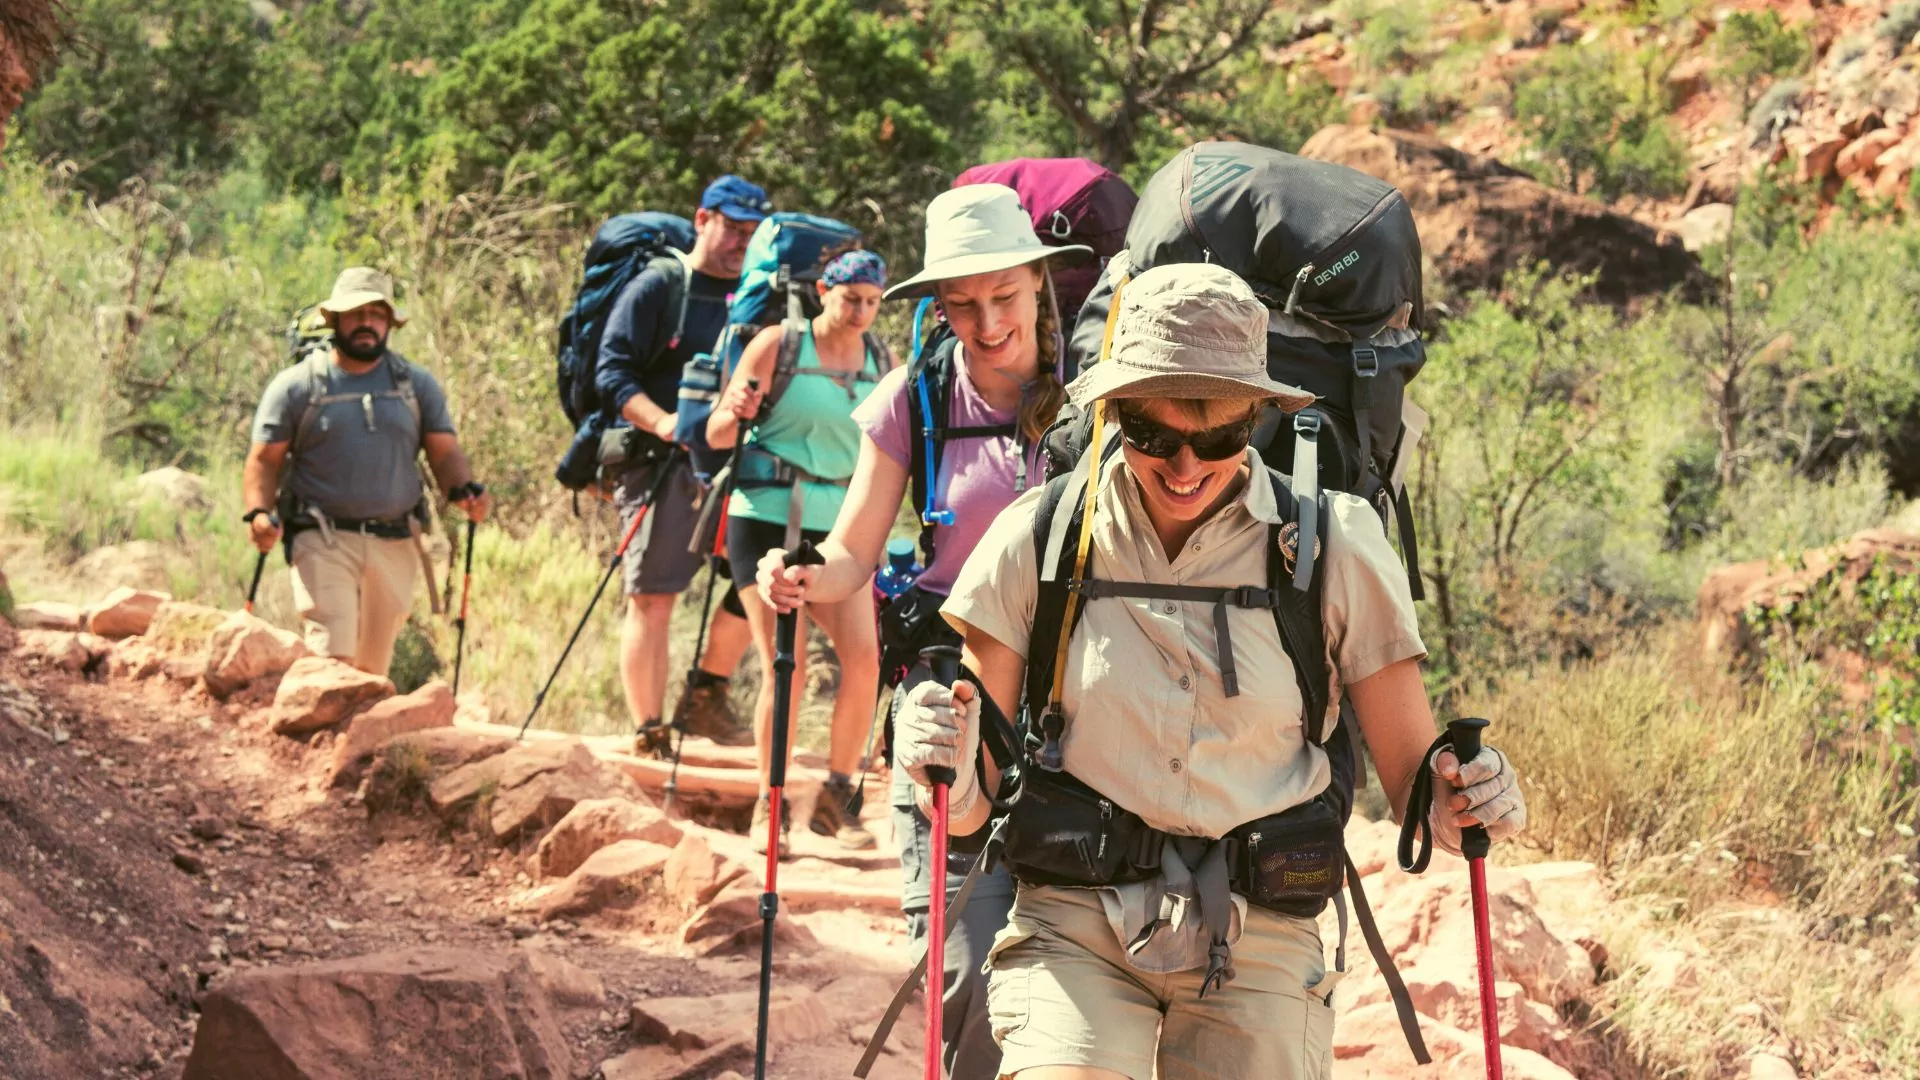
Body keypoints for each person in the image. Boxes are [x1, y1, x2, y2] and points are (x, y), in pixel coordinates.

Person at [888, 263, 1530, 1080]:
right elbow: (970, 799)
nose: (1187, 467)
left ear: (1257, 419)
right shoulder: (1038, 538)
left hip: (1263, 929)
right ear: (1115, 413)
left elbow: (1416, 788)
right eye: (1155, 438)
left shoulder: (1335, 545)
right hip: (1076, 920)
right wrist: (932, 755)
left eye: (1221, 437)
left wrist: (1467, 795)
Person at [756, 184, 1090, 1080]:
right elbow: (854, 550)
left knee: (1085, 983)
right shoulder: (917, 396)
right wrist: (800, 574)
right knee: (963, 972)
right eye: (963, 304)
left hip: (1079, 704)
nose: (986, 324)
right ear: (939, 306)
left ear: (1039, 285)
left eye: (1005, 298)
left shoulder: (1093, 401)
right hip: (952, 700)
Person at [707, 249, 891, 853]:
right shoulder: (778, 346)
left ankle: (839, 799)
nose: (862, 311)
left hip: (840, 537)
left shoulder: (883, 361)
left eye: (872, 300)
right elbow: (715, 436)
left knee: (864, 661)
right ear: (823, 290)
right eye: (851, 298)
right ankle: (772, 804)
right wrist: (734, 412)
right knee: (787, 664)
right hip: (764, 519)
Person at [596, 175, 773, 754]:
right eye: (731, 229)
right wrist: (664, 421)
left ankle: (705, 694)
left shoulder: (761, 295)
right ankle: (649, 730)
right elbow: (612, 371)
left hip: (739, 467)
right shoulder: (660, 286)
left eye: (751, 233)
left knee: (759, 582)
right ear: (703, 220)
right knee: (653, 598)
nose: (739, 242)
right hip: (661, 462)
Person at [243, 268, 492, 676]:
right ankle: (325, 738)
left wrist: (463, 490)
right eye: (356, 313)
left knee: (372, 671)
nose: (366, 323)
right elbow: (264, 460)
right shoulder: (297, 386)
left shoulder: (415, 384)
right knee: (332, 655)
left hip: (396, 540)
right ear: (334, 319)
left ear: (390, 322)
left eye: (377, 314)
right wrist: (258, 512)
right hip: (321, 536)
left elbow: (444, 452)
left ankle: (354, 738)